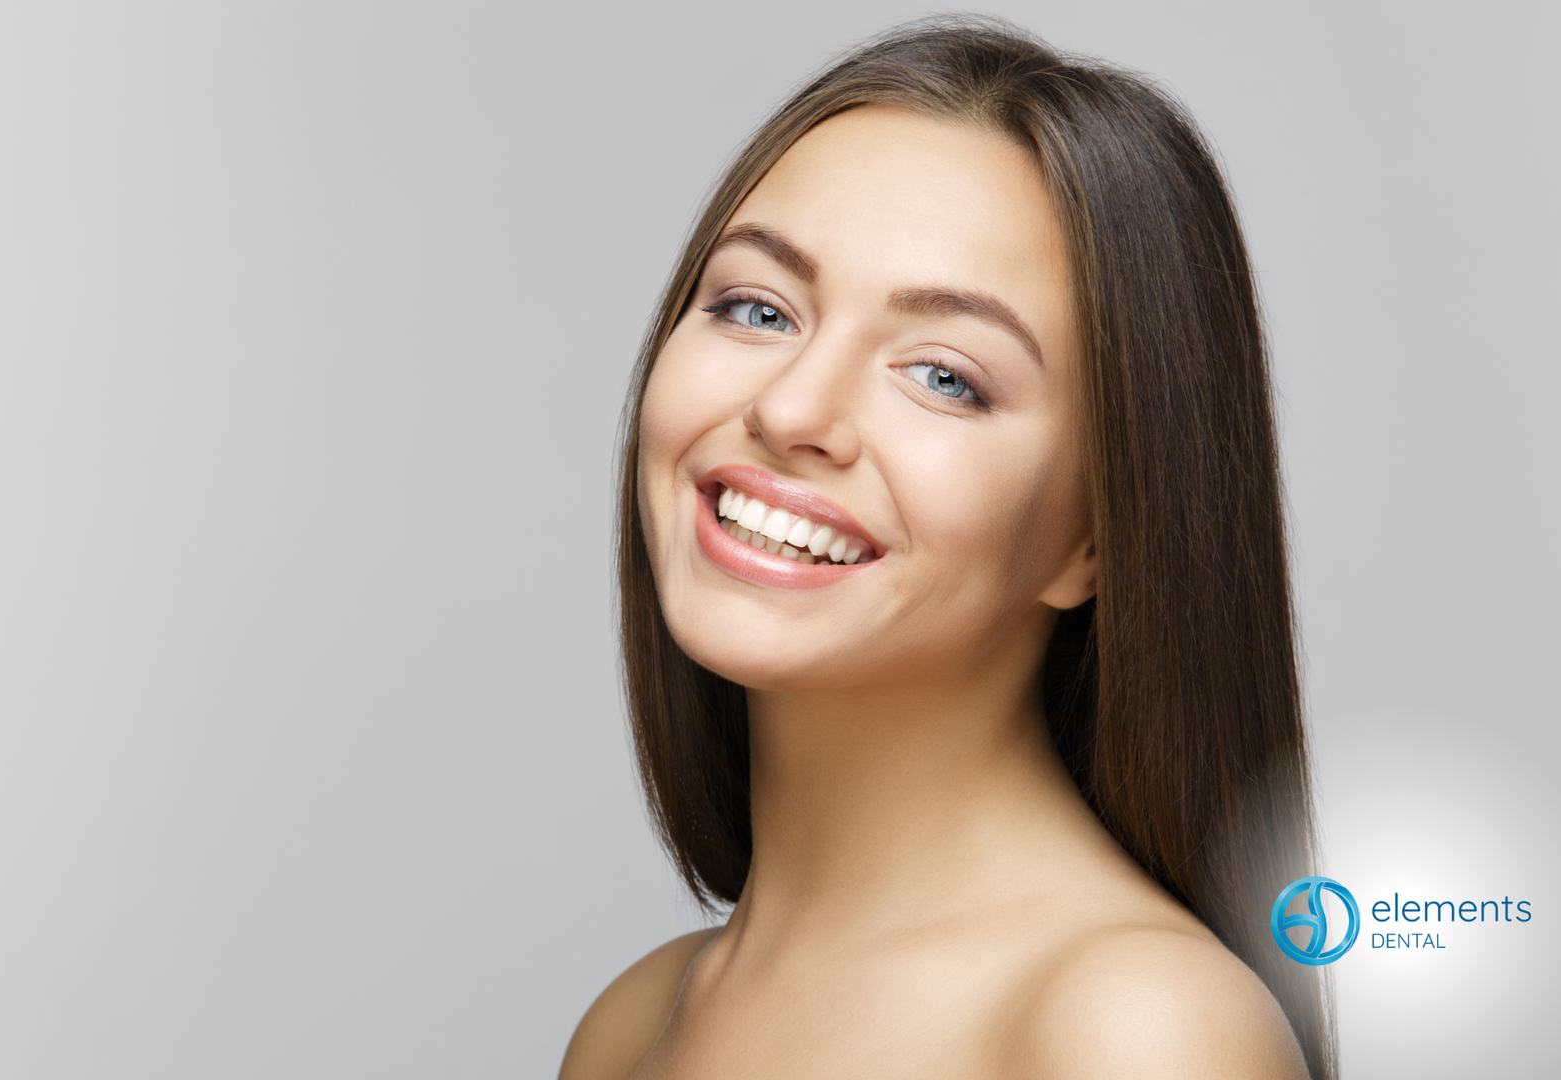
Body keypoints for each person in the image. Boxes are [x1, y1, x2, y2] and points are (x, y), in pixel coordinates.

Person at [562, 18, 1330, 1080]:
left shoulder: (1137, 1030)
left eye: (944, 376)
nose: (791, 408)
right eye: (756, 306)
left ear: (1096, 536)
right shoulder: (634, 1027)